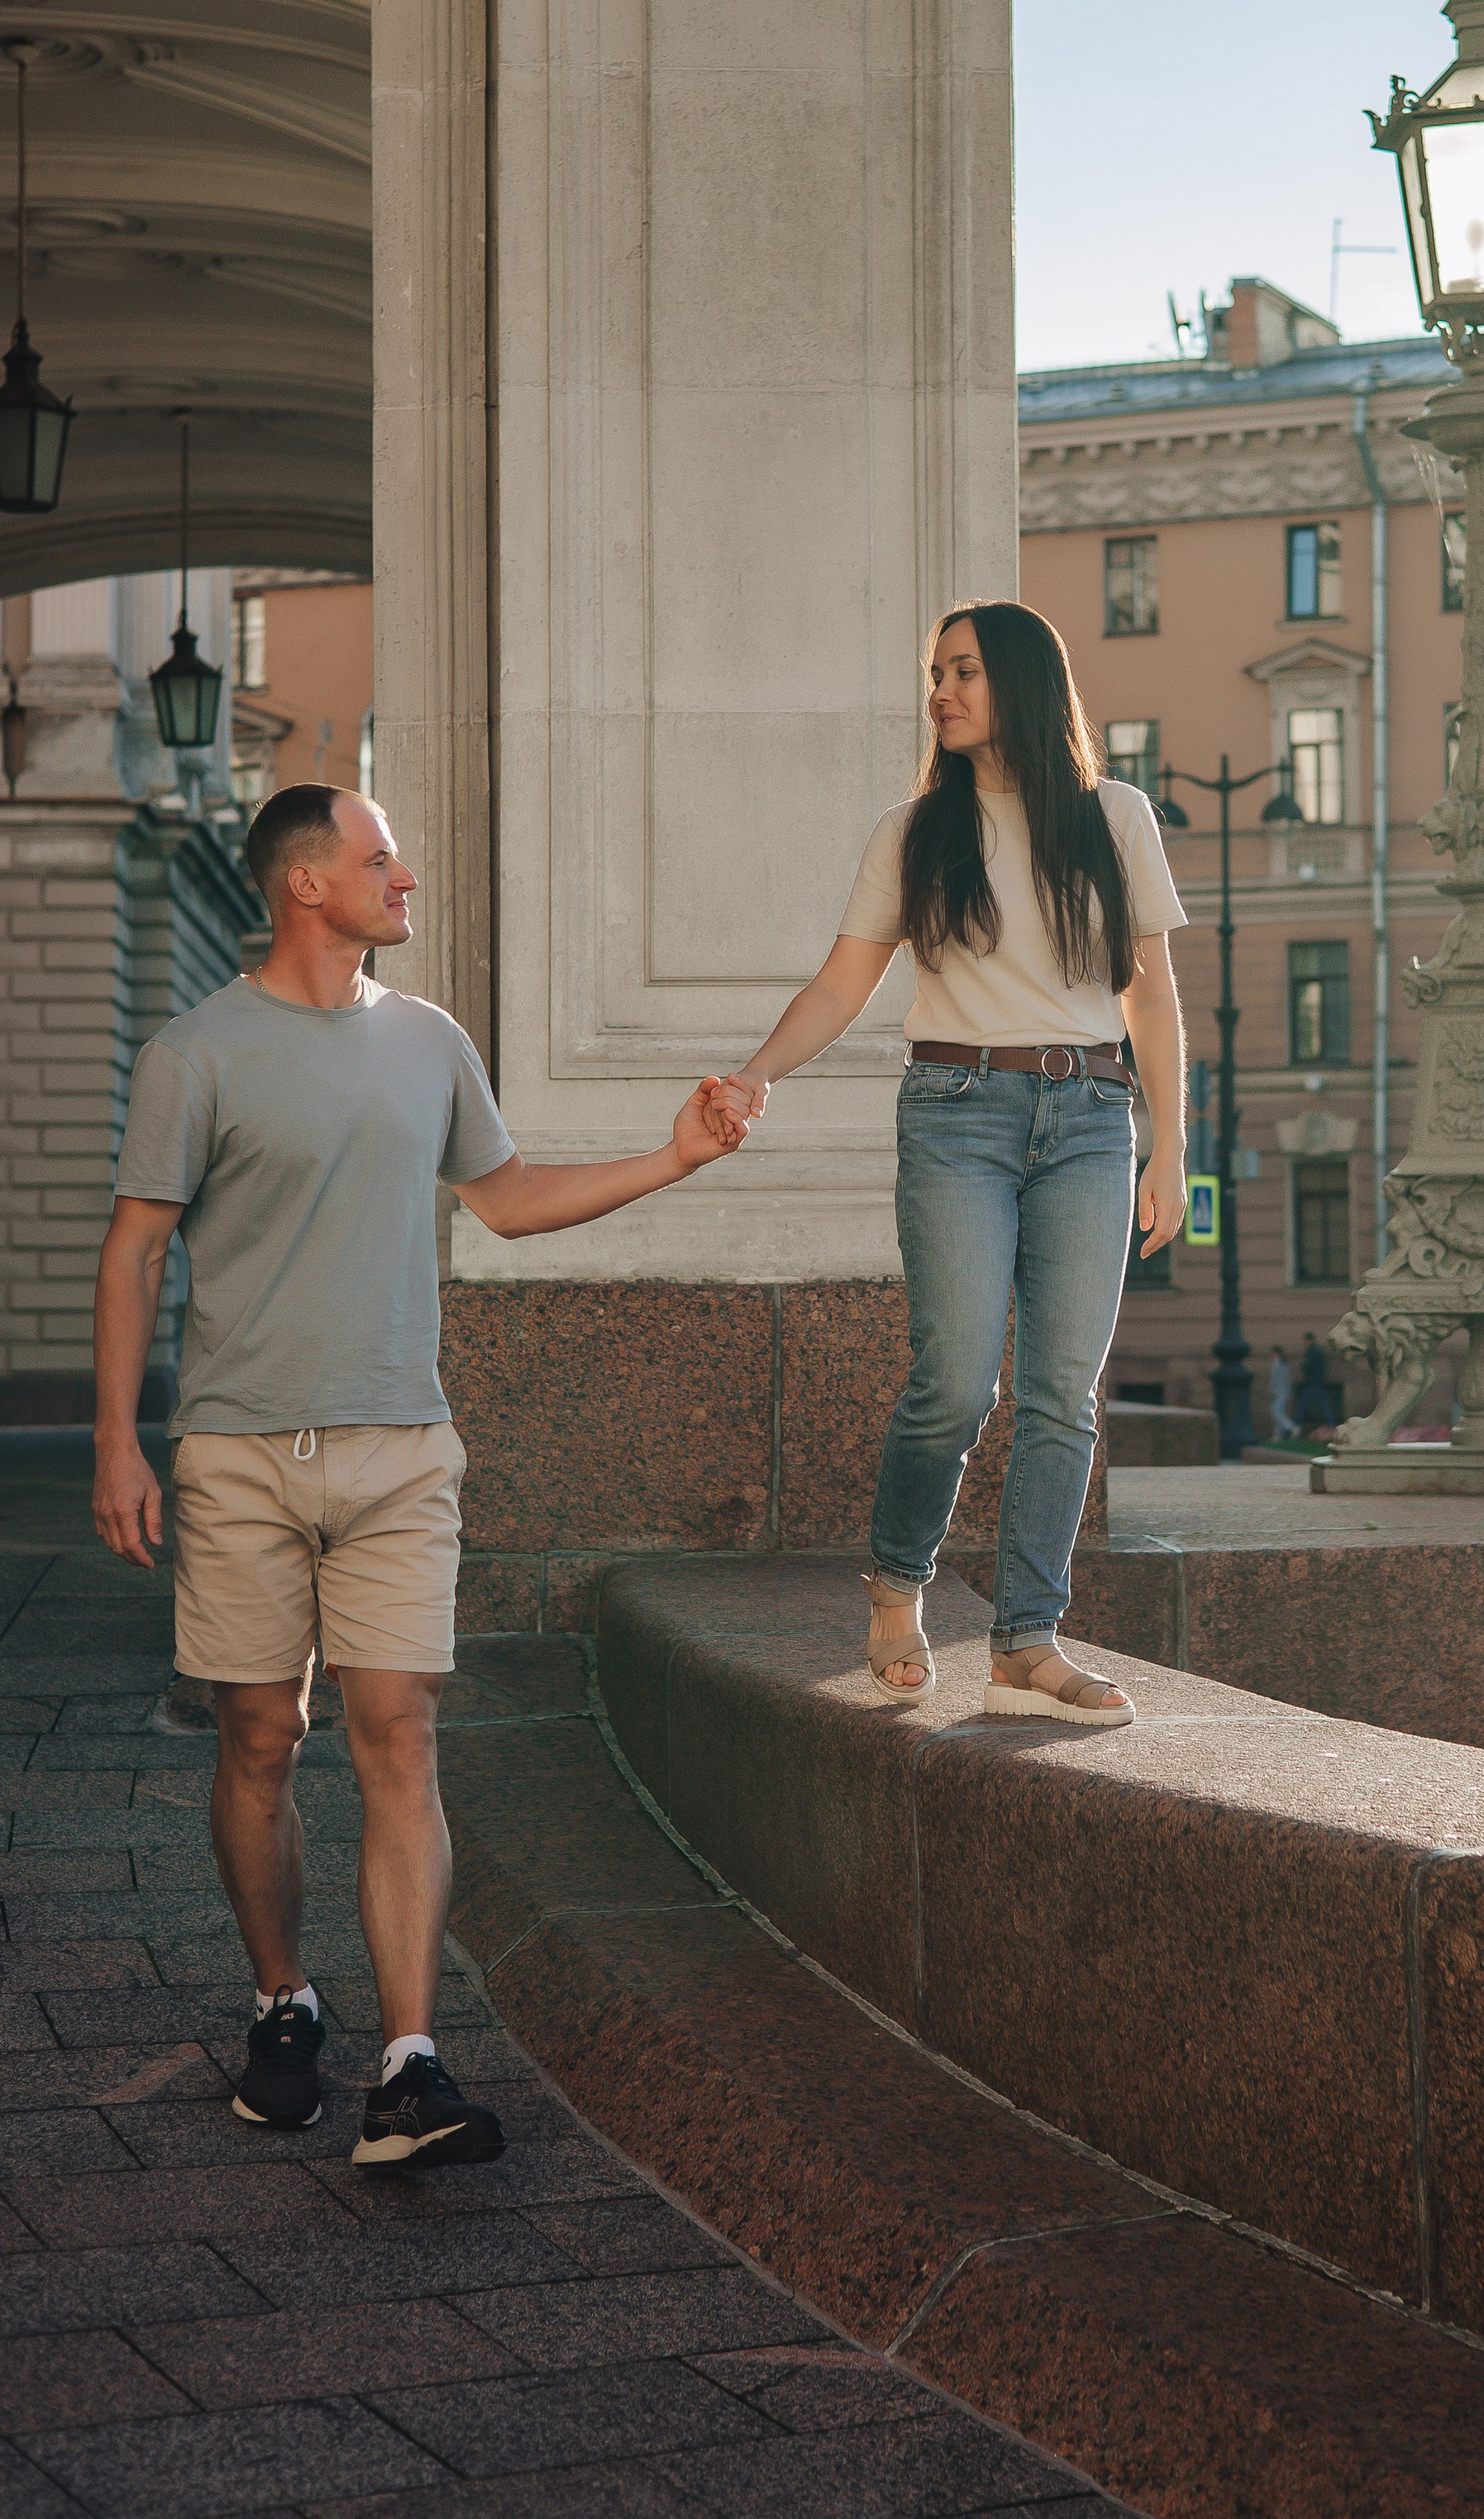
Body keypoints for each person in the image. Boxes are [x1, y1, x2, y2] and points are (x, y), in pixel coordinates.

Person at [91, 787, 751, 2160]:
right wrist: (114, 1443)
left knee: (399, 1731)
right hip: (237, 1450)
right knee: (258, 1738)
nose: (406, 875)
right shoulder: (196, 1054)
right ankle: (284, 2002)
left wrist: (674, 1158)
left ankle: (410, 2064)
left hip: (400, 1445)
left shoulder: (430, 1042)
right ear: (303, 886)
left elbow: (506, 1202)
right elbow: (137, 1249)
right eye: (379, 857)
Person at [723, 603, 1188, 1726]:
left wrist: (1170, 1147)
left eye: (965, 671)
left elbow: (1152, 996)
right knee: (955, 1383)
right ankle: (897, 1582)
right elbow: (843, 984)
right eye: (935, 672)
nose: (942, 690)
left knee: (1063, 1397)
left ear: (1021, 682)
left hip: (1088, 1114)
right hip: (958, 1110)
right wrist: (755, 1074)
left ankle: (1028, 1641)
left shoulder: (1115, 817)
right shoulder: (914, 830)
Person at [1294, 1337, 1334, 1437]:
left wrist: (1303, 1366)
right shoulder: (1318, 1351)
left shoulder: (1311, 1351)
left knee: (1302, 1406)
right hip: (1318, 1382)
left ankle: (1296, 1428)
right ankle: (1332, 1425)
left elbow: (1310, 1367)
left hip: (1312, 1383)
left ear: (1308, 1340)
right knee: (1324, 1405)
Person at [1267, 1347, 1295, 1441]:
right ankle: (1277, 1435)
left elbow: (1274, 1381)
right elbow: (1288, 1379)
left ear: (1275, 1353)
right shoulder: (1283, 1364)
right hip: (1284, 1392)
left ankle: (1291, 1427)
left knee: (1276, 1412)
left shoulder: (1276, 1365)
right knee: (1278, 1412)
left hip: (1279, 1392)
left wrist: (1271, 1392)